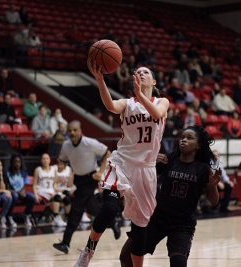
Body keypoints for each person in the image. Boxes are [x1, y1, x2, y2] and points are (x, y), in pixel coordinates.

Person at [72, 61, 169, 267]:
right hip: (122, 163)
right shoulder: (128, 103)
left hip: (145, 170)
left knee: (140, 227)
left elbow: (157, 114)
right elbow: (110, 105)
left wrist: (142, 96)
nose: (141, 73)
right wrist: (100, 79)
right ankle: (88, 252)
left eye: (145, 72)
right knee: (109, 208)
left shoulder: (162, 101)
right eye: (138, 72)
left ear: (153, 80)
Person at [120, 126, 221, 267]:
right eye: (182, 137)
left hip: (182, 224)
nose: (184, 140)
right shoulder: (169, 159)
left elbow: (214, 202)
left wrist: (212, 186)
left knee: (178, 263)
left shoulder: (203, 169)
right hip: (157, 218)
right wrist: (151, 163)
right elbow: (143, 176)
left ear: (198, 145)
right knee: (126, 256)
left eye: (189, 138)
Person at [52, 120, 114, 254]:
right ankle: (112, 221)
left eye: (75, 130)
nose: (72, 133)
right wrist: (65, 170)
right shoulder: (66, 145)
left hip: (91, 177)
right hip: (79, 179)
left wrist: (100, 172)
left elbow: (108, 153)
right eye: (70, 131)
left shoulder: (90, 143)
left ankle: (65, 243)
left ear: (80, 131)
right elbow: (62, 160)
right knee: (92, 208)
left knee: (76, 209)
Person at [33, 153, 67, 227]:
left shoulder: (53, 169)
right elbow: (34, 184)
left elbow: (54, 185)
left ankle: (68, 218)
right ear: (41, 160)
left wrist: (59, 190)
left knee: (66, 198)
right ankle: (56, 218)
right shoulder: (38, 170)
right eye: (43, 158)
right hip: (42, 192)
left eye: (47, 158)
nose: (45, 160)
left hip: (51, 191)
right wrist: (35, 195)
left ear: (50, 160)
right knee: (57, 197)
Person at [5, 154, 35, 227]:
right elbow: (7, 187)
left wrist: (22, 191)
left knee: (32, 197)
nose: (17, 164)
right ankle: (9, 216)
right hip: (12, 192)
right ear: (12, 163)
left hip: (21, 192)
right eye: (15, 162)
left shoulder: (23, 173)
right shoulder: (7, 173)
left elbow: (25, 184)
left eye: (19, 162)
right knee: (15, 196)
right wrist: (18, 192)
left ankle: (27, 215)